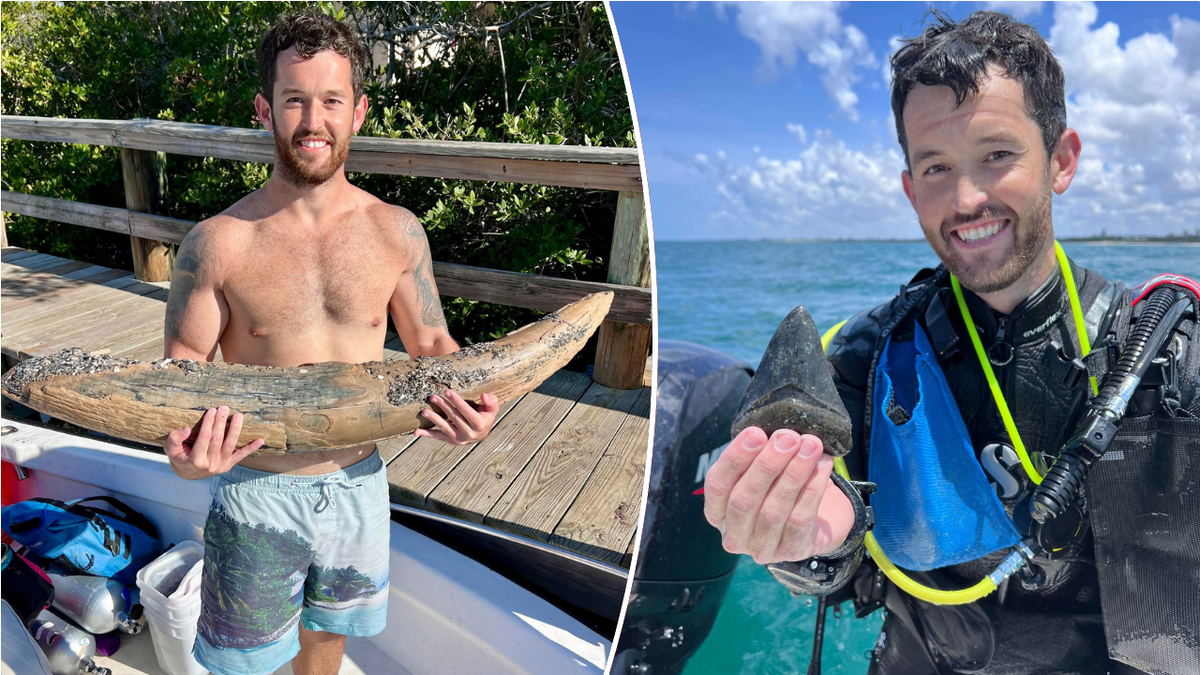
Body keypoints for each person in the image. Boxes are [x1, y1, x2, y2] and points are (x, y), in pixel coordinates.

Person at [703, 11, 1199, 675]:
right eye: (936, 167)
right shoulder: (867, 360)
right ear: (910, 190)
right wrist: (804, 545)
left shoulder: (1162, 357)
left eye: (997, 155)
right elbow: (837, 559)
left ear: (1061, 160)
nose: (966, 198)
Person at [160, 11, 499, 675]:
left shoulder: (397, 231)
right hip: (256, 491)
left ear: (359, 112)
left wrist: (473, 399)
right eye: (294, 100)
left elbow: (431, 340)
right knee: (245, 663)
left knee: (325, 646)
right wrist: (189, 461)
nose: (313, 121)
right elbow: (179, 382)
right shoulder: (216, 243)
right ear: (265, 110)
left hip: (359, 486)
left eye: (331, 101)